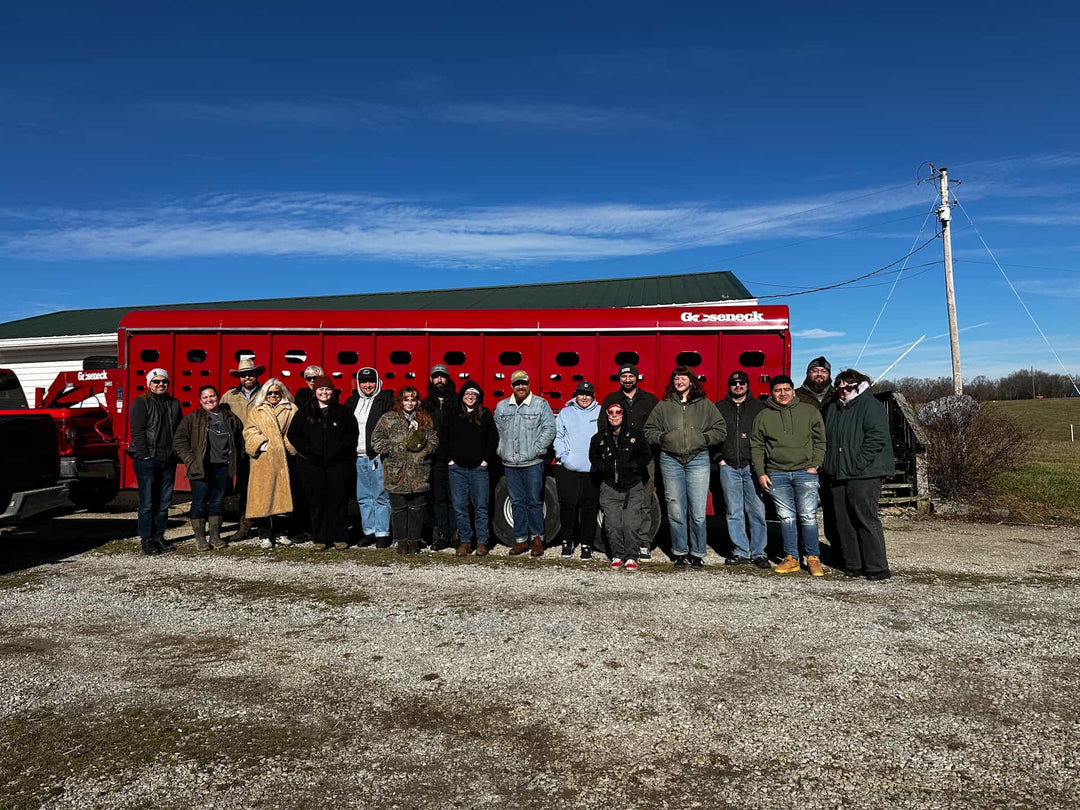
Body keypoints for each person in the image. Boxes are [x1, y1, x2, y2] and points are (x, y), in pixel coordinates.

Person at [644, 367, 726, 569]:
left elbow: (720, 429)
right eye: (676, 378)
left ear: (692, 381)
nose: (679, 380)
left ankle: (697, 552)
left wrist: (703, 438)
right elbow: (649, 430)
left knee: (697, 510)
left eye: (683, 377)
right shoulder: (664, 405)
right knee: (675, 510)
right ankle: (680, 551)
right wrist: (663, 437)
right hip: (671, 460)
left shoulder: (705, 404)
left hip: (698, 459)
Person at [750, 375, 827, 576]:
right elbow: (756, 446)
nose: (782, 393)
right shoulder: (763, 416)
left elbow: (820, 440)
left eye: (786, 389)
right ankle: (791, 557)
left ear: (793, 391)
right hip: (777, 474)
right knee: (786, 518)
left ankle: (812, 558)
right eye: (778, 390)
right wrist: (761, 472)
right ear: (772, 393)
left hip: (805, 472)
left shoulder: (809, 411)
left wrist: (815, 465)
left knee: (808, 517)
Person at [822, 369, 895, 580]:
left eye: (848, 387)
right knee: (842, 521)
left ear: (858, 386)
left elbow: (877, 437)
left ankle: (876, 567)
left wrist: (858, 462)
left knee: (864, 518)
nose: (843, 391)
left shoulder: (870, 406)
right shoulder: (833, 408)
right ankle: (852, 564)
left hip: (864, 473)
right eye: (840, 387)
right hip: (837, 471)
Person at [287, 375, 359, 551]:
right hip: (312, 466)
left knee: (338, 501)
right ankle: (320, 537)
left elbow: (352, 436)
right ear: (315, 392)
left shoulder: (344, 412)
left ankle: (339, 536)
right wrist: (311, 453)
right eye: (321, 389)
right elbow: (293, 435)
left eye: (328, 389)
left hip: (338, 465)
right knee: (316, 502)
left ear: (332, 392)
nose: (324, 392)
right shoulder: (304, 412)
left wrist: (339, 453)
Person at [598, 364, 659, 561]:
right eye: (623, 377)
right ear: (619, 379)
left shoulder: (650, 400)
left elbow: (657, 426)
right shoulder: (611, 400)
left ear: (636, 378)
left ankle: (643, 542)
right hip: (617, 461)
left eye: (630, 376)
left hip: (644, 458)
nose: (627, 380)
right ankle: (620, 545)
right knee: (618, 502)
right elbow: (602, 428)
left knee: (644, 501)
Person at [494, 369, 556, 557]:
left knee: (534, 502)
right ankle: (520, 540)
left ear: (529, 384)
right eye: (516, 384)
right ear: (511, 386)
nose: (520, 387)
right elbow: (496, 430)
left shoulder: (540, 404)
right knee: (517, 502)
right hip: (511, 463)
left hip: (533, 462)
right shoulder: (503, 406)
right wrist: (501, 449)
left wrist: (537, 449)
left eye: (523, 383)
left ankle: (538, 539)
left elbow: (550, 428)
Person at [173, 385, 244, 552]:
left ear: (218, 398)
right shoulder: (193, 418)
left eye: (211, 396)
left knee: (218, 502)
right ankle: (200, 538)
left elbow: (240, 440)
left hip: (222, 467)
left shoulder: (229, 417)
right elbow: (179, 441)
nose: (209, 400)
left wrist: (236, 458)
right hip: (201, 467)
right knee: (199, 502)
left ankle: (215, 536)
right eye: (205, 397)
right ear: (200, 400)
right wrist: (191, 460)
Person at [713, 370, 770, 569]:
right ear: (729, 386)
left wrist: (762, 463)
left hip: (752, 467)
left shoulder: (759, 408)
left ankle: (759, 552)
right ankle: (740, 551)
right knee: (734, 511)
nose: (738, 386)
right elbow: (712, 435)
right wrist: (719, 459)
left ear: (748, 385)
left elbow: (766, 436)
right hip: (728, 466)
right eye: (734, 383)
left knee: (756, 511)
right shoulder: (719, 407)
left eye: (742, 383)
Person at [371, 387, 438, 555]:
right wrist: (394, 449)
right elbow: (376, 440)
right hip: (396, 471)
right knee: (399, 508)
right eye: (406, 400)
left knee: (417, 508)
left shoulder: (424, 419)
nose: (410, 403)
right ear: (400, 401)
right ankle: (401, 542)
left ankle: (414, 542)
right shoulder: (388, 419)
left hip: (419, 471)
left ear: (417, 401)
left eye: (413, 400)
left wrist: (425, 452)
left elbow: (434, 439)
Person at [591, 401, 651, 570]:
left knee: (630, 523)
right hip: (610, 486)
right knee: (613, 524)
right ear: (607, 415)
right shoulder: (599, 438)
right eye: (611, 412)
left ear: (623, 415)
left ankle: (631, 556)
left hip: (632, 486)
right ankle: (617, 555)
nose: (615, 415)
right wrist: (604, 469)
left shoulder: (635, 436)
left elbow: (646, 456)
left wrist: (633, 467)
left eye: (618, 412)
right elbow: (593, 458)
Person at [128, 368, 183, 555]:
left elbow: (179, 430)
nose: (161, 384)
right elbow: (137, 431)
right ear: (149, 383)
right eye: (156, 381)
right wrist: (144, 455)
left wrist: (176, 454)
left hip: (168, 460)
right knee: (147, 502)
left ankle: (159, 536)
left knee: (164, 502)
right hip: (148, 460)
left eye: (164, 381)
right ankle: (147, 539)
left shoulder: (174, 404)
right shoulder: (141, 402)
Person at [242, 378, 299, 549]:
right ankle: (264, 535)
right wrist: (262, 444)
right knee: (263, 498)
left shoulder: (291, 408)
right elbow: (249, 430)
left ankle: (281, 533)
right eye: (270, 392)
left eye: (277, 392)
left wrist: (287, 446)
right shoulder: (256, 410)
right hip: (263, 460)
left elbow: (295, 431)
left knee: (281, 498)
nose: (273, 395)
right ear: (264, 394)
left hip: (283, 459)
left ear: (282, 393)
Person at [444, 381, 498, 556]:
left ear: (478, 397)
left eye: (474, 394)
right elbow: (443, 437)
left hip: (478, 470)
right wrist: (449, 460)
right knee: (460, 506)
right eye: (467, 393)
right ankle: (465, 542)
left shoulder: (485, 414)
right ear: (462, 396)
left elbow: (493, 439)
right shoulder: (453, 414)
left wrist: (486, 461)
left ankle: (482, 542)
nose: (470, 397)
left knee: (481, 506)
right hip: (457, 469)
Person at [343, 367, 394, 548]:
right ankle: (369, 531)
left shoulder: (385, 400)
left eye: (371, 381)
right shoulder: (352, 401)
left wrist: (384, 449)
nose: (367, 385)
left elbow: (393, 426)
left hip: (377, 456)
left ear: (377, 381)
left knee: (381, 495)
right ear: (358, 383)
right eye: (363, 381)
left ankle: (382, 533)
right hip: (358, 455)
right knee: (363, 496)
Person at [795, 356, 839, 561]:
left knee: (834, 507)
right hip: (804, 459)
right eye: (815, 370)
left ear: (829, 375)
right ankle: (800, 549)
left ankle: (837, 549)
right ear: (808, 373)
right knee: (803, 509)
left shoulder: (839, 395)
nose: (819, 374)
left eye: (823, 371)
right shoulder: (797, 396)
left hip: (832, 459)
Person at [554, 381, 601, 559]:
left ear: (593, 396)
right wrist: (564, 457)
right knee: (568, 507)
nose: (584, 397)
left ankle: (586, 544)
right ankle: (567, 541)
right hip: (568, 469)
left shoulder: (600, 411)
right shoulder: (565, 413)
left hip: (591, 470)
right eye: (581, 394)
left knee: (589, 508)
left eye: (588, 394)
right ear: (576, 395)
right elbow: (558, 436)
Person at [222, 356, 265, 542]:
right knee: (243, 490)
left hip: (262, 450)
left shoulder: (266, 393)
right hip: (239, 451)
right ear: (239, 378)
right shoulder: (229, 396)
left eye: (250, 374)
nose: (247, 378)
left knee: (262, 489)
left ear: (256, 375)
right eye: (243, 375)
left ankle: (265, 529)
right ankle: (244, 527)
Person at [422, 363, 459, 549]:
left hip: (455, 459)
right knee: (438, 498)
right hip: (435, 460)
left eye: (442, 376)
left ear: (448, 379)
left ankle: (455, 534)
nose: (439, 380)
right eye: (436, 376)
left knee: (456, 498)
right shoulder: (426, 404)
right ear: (431, 379)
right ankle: (442, 534)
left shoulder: (457, 402)